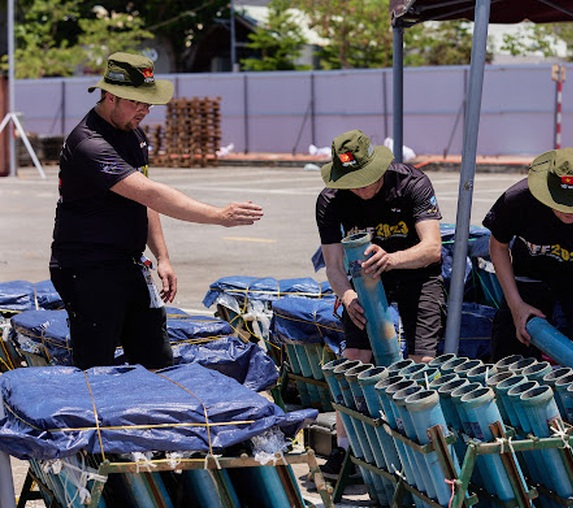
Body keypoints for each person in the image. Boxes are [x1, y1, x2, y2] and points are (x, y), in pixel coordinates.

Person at [50, 52, 263, 370]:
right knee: (97, 367)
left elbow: (144, 201)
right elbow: (150, 192)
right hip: (87, 267)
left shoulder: (133, 134)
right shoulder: (89, 143)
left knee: (156, 359)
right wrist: (218, 216)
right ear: (111, 96)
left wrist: (162, 257)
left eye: (149, 104)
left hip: (127, 263)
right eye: (137, 102)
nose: (145, 111)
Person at [315, 129, 445, 475]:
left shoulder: (412, 184)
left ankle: (424, 448)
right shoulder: (330, 200)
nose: (360, 188)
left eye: (365, 179)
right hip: (366, 280)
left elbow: (433, 248)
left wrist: (392, 259)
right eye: (351, 181)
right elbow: (333, 265)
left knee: (421, 361)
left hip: (416, 271)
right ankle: (346, 450)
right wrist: (347, 294)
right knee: (354, 359)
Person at [482, 147, 573, 378]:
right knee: (509, 353)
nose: (570, 213)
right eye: (561, 204)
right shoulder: (517, 199)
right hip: (529, 275)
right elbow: (498, 246)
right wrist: (516, 305)